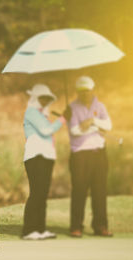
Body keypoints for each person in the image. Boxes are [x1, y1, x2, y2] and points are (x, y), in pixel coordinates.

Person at [67, 76, 113, 238]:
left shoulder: (100, 106)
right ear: (77, 92)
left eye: (87, 90)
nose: (85, 93)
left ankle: (100, 226)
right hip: (80, 155)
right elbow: (74, 131)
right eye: (81, 91)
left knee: (100, 191)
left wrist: (92, 121)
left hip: (99, 153)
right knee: (79, 190)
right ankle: (76, 226)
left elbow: (108, 125)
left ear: (93, 90)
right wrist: (95, 127)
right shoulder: (71, 108)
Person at [22, 84, 66, 240]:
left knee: (43, 194)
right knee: (36, 193)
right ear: (35, 98)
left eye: (47, 98)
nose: (45, 101)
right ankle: (29, 230)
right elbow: (46, 131)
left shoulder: (43, 115)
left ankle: (40, 229)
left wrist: (60, 120)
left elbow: (49, 134)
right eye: (42, 98)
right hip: (35, 156)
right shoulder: (31, 112)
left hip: (46, 157)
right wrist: (62, 119)